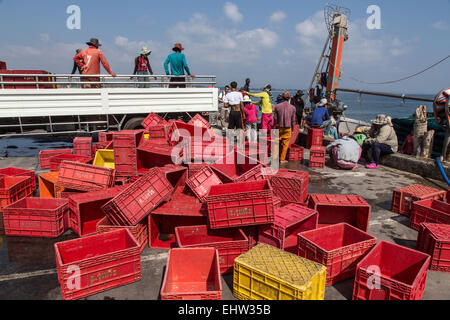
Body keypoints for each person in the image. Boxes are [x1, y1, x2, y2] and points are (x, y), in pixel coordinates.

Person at [273, 91, 296, 163]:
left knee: (277, 143)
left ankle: (275, 157)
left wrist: (274, 127)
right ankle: (282, 159)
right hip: (288, 128)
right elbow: (293, 120)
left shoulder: (277, 106)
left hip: (279, 127)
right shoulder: (292, 108)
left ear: (282, 98)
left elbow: (275, 119)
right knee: (285, 145)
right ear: (289, 98)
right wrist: (293, 129)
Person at [223, 82, 245, 146]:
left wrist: (231, 104)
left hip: (232, 113)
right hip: (238, 112)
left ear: (230, 87)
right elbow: (241, 105)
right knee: (239, 129)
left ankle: (230, 143)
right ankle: (240, 143)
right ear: (236, 86)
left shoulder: (228, 95)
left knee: (230, 128)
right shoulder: (239, 94)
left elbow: (225, 106)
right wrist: (243, 114)